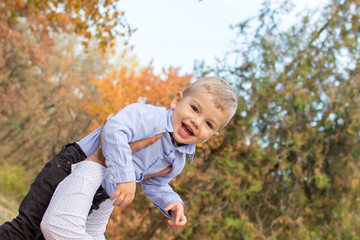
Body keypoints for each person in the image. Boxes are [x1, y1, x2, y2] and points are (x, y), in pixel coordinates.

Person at [40, 76, 238, 239]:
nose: (196, 121)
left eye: (209, 124)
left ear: (211, 137)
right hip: (86, 164)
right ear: (177, 101)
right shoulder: (150, 118)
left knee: (93, 234)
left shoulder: (178, 160)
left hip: (109, 195)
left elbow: (156, 184)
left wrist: (173, 202)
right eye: (195, 109)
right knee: (46, 227)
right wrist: (125, 176)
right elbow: (114, 129)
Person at [0, 117, 163, 240]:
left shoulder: (177, 154)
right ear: (177, 101)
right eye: (189, 108)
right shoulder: (148, 117)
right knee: (26, 230)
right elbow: (114, 123)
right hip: (78, 162)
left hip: (100, 183)